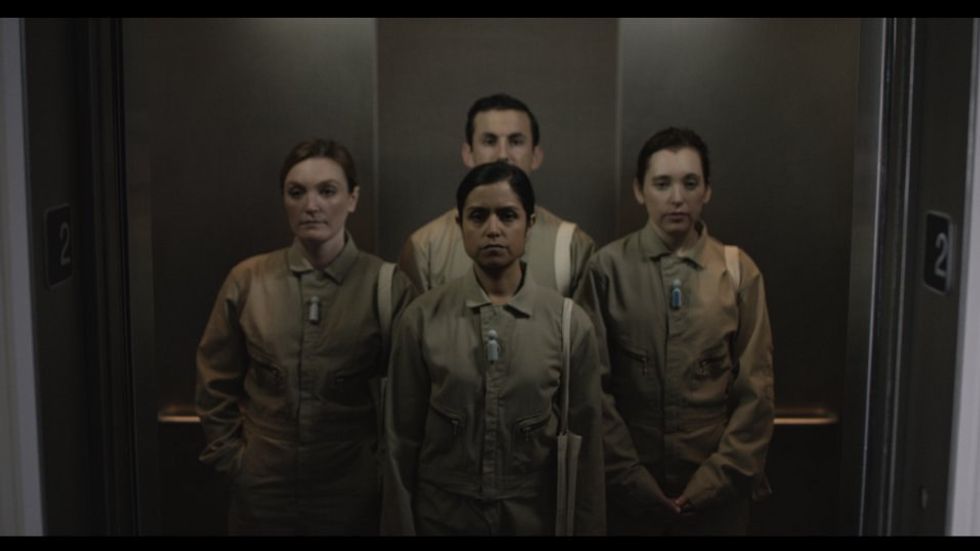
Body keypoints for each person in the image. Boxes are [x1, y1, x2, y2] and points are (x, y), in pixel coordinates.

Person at [195, 138, 418, 535]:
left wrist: (379, 472)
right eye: (296, 192)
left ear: (352, 198)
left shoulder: (385, 285)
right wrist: (235, 461)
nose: (311, 205)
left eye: (327, 191)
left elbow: (412, 396)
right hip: (264, 487)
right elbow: (214, 381)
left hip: (352, 489)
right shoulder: (249, 280)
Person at [383, 161, 605, 535]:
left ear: (530, 224)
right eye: (478, 216)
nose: (493, 229)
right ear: (460, 225)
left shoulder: (567, 323)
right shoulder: (422, 319)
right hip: (443, 517)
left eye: (507, 215)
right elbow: (399, 443)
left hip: (532, 517)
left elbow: (587, 453)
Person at [575, 127, 774, 535]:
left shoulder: (737, 272)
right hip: (627, 496)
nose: (677, 198)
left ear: (707, 190)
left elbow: (756, 391)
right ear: (639, 190)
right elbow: (590, 388)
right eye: (662, 183)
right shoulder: (608, 269)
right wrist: (629, 478)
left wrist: (713, 482)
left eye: (690, 183)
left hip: (718, 498)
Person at [398, 93, 595, 298]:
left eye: (516, 141)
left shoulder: (572, 246)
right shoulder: (425, 248)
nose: (502, 154)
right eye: (489, 141)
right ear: (468, 153)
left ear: (536, 156)